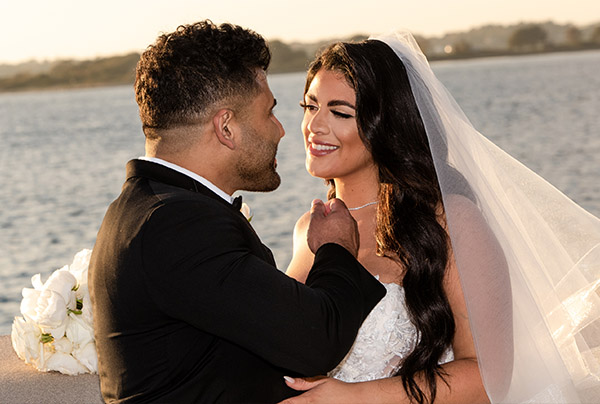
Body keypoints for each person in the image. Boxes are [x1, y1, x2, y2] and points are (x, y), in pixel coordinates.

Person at [283, 32, 600, 403]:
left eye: (339, 112)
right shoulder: (309, 230)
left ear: (386, 124)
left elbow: (489, 375)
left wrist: (352, 397)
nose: (314, 126)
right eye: (310, 106)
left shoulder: (450, 221)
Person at [88, 21, 386, 403]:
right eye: (269, 113)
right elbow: (315, 343)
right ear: (226, 127)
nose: (282, 131)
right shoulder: (178, 225)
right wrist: (337, 249)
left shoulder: (144, 207)